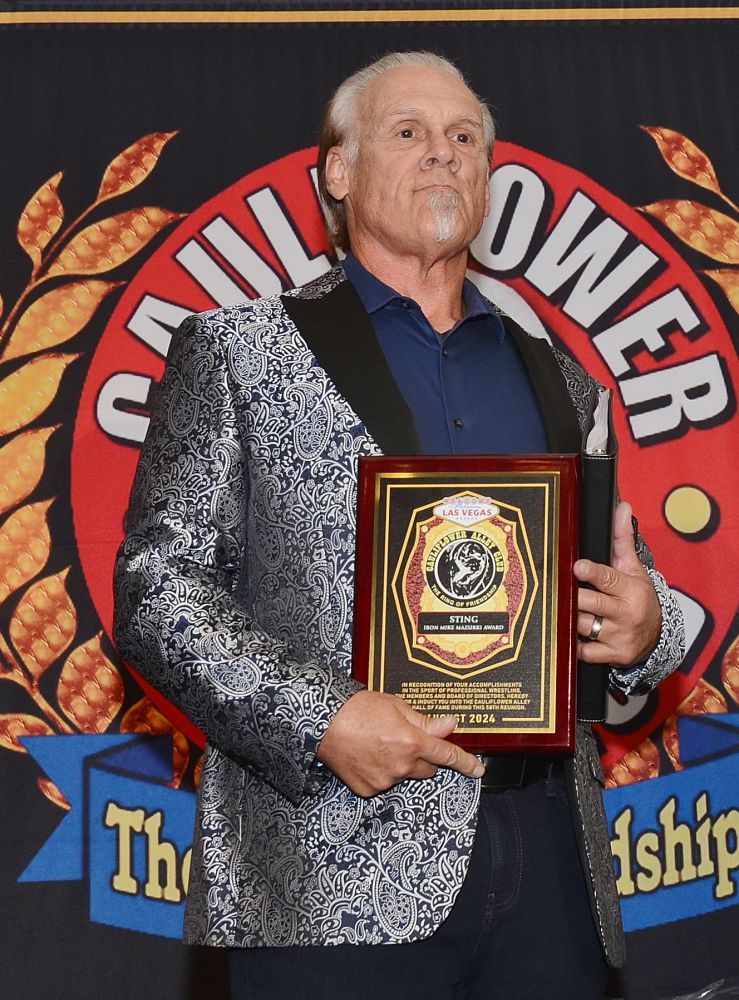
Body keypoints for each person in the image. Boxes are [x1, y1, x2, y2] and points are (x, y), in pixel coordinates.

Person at [114, 51, 685, 1000]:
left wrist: (644, 624)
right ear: (337, 173)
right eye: (408, 132)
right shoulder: (237, 350)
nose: (442, 156)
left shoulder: (563, 375)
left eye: (465, 138)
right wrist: (320, 715)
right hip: (330, 862)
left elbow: (617, 584)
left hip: (548, 857)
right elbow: (157, 591)